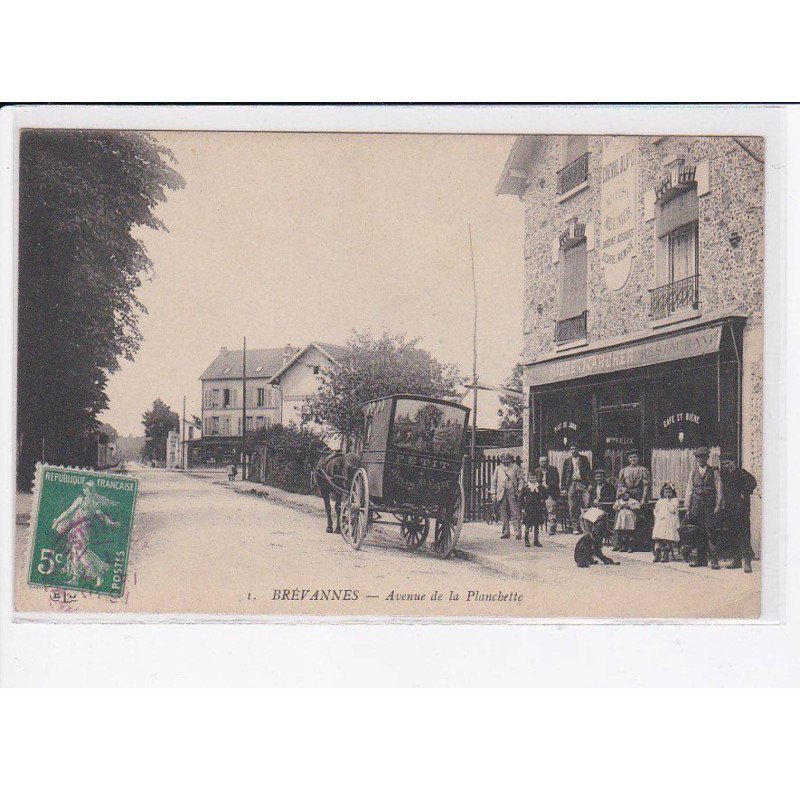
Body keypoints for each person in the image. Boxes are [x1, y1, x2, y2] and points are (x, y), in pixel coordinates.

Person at [51, 481, 120, 588]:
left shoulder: (94, 503)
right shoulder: (80, 499)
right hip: (75, 528)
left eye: (88, 488)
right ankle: (76, 578)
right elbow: (69, 511)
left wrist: (111, 523)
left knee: (80, 552)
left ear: (92, 490)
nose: (86, 489)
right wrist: (57, 522)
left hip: (83, 530)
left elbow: (102, 516)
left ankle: (96, 572)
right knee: (75, 551)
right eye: (85, 487)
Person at [683, 446, 723, 569]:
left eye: (703, 457)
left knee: (711, 531)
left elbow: (719, 490)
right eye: (699, 457)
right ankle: (701, 559)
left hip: (709, 505)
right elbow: (689, 490)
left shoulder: (714, 472)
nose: (701, 459)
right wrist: (687, 507)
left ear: (707, 457)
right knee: (698, 532)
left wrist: (718, 505)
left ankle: (714, 560)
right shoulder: (693, 473)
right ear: (696, 458)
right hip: (696, 505)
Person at [719, 452, 758, 573]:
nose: (726, 465)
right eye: (724, 463)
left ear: (734, 462)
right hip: (730, 510)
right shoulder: (724, 475)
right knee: (732, 534)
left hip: (742, 510)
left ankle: (747, 562)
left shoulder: (742, 473)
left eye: (728, 463)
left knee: (744, 534)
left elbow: (753, 482)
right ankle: (737, 560)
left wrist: (744, 493)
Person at [491, 453, 523, 540]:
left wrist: (520, 489)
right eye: (503, 459)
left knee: (515, 513)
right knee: (504, 514)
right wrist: (493, 494)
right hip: (501, 493)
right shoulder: (498, 468)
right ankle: (505, 532)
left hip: (513, 493)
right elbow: (494, 482)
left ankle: (517, 532)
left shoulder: (515, 467)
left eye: (507, 459)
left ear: (510, 459)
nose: (505, 460)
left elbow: (521, 479)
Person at [561, 443, 591, 531]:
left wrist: (589, 484)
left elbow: (589, 472)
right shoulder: (567, 461)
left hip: (582, 483)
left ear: (578, 449)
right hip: (571, 484)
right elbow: (564, 475)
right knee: (572, 506)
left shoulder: (584, 459)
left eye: (575, 449)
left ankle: (586, 527)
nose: (573, 451)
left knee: (587, 502)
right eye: (571, 449)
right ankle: (575, 527)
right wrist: (563, 488)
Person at [652, 483, 680, 563]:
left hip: (670, 520)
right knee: (658, 538)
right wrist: (657, 516)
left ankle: (665, 554)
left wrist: (668, 502)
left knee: (667, 537)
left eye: (669, 492)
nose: (668, 494)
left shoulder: (674, 501)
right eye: (666, 492)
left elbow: (672, 510)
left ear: (673, 492)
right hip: (661, 520)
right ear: (663, 492)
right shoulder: (660, 501)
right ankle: (657, 554)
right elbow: (656, 510)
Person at [533, 455, 560, 535]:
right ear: (539, 462)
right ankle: (535, 526)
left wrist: (548, 486)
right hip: (539, 492)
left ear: (548, 462)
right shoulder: (536, 471)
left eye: (545, 461)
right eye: (542, 461)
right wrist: (540, 487)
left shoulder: (553, 469)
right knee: (533, 505)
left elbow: (556, 480)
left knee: (551, 508)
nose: (544, 463)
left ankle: (552, 527)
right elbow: (533, 482)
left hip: (550, 492)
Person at [520, 472, 545, 548]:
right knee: (527, 524)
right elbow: (521, 498)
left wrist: (542, 499)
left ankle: (536, 540)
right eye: (531, 478)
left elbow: (544, 494)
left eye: (534, 478)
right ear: (528, 479)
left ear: (536, 478)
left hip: (537, 508)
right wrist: (522, 508)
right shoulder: (526, 487)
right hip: (529, 508)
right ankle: (526, 540)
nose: (532, 479)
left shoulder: (539, 486)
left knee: (536, 524)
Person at [613, 489, 641, 553]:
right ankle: (623, 546)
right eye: (623, 494)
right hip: (622, 518)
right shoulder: (619, 501)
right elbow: (614, 507)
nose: (625, 495)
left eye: (627, 494)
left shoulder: (633, 501)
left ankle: (630, 547)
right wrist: (620, 507)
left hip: (630, 518)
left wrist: (630, 506)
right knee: (622, 532)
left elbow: (638, 506)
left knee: (630, 532)